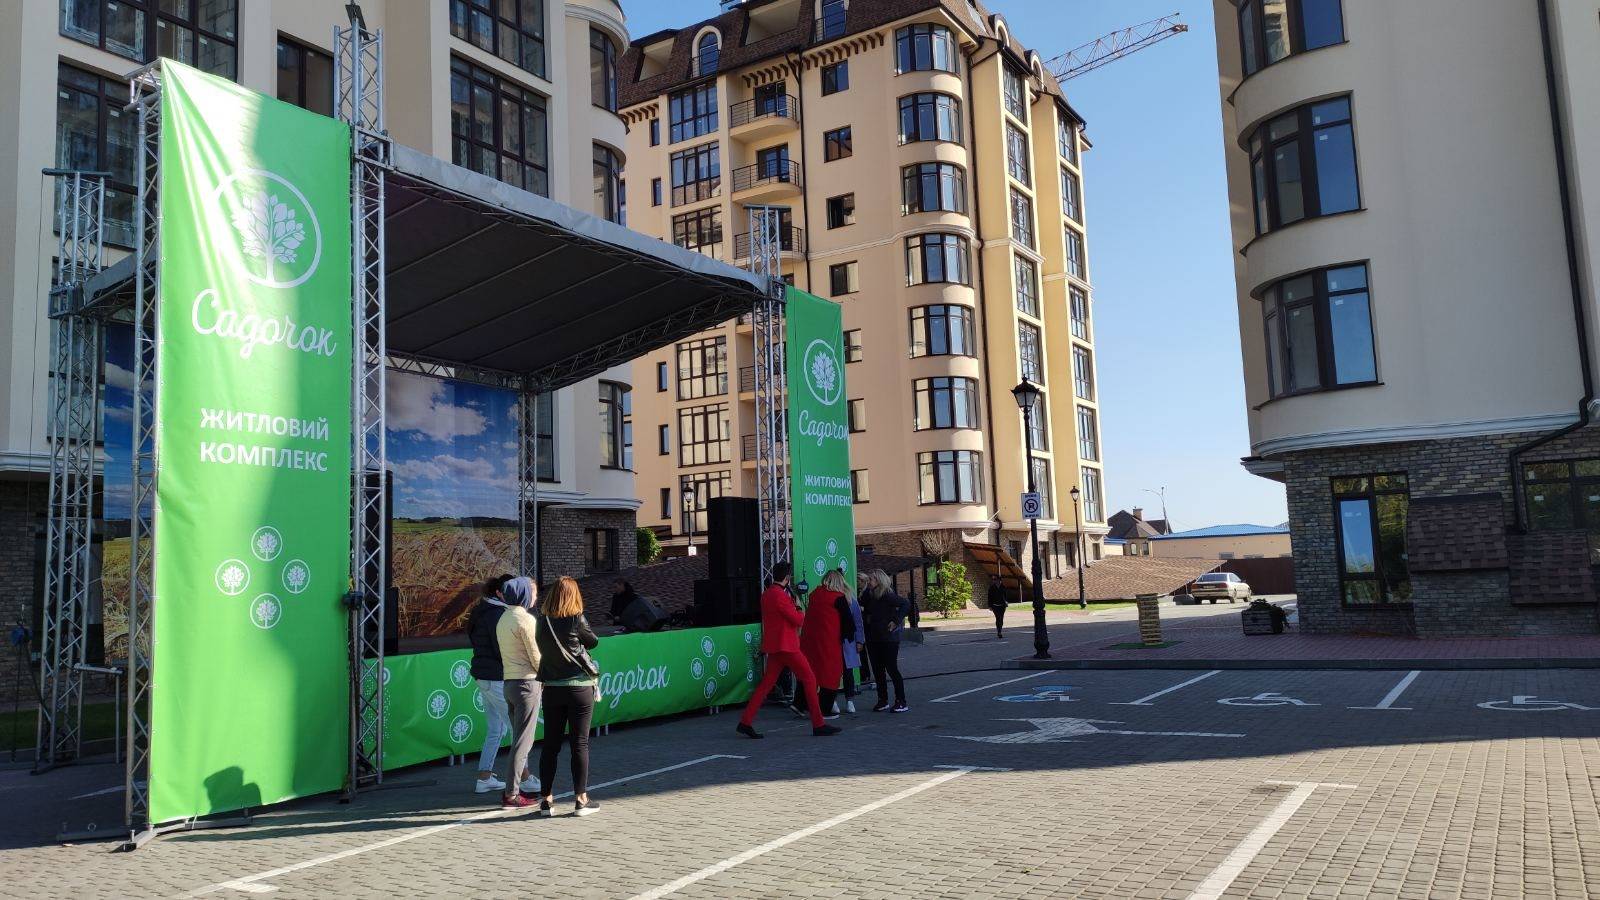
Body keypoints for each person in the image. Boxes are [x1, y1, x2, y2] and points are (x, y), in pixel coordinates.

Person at [737, 562, 840, 738]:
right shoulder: (781, 596)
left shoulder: (767, 594)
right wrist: (799, 608)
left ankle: (745, 721)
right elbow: (798, 620)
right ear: (787, 577)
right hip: (787, 645)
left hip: (774, 646)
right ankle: (818, 724)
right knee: (809, 679)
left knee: (766, 685)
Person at [534, 576, 602, 817]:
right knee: (579, 744)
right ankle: (581, 800)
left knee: (550, 745)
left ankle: (546, 800)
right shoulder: (576, 618)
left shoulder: (542, 621)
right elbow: (593, 641)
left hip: (552, 688)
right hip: (578, 687)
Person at [494, 576, 542, 809]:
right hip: (527, 683)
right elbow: (535, 656)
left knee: (517, 739)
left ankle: (512, 791)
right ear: (524, 594)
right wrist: (548, 675)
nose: (535, 597)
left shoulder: (503, 618)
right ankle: (511, 794)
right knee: (523, 742)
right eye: (533, 593)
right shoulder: (525, 619)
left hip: (509, 683)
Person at [466, 573, 514, 793]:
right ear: (499, 592)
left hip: (484, 676)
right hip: (494, 677)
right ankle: (523, 779)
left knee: (497, 728)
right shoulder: (497, 614)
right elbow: (500, 649)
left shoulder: (482, 610)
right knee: (516, 728)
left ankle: (484, 778)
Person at [798, 569, 854, 720]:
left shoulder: (814, 595)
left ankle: (803, 703)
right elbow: (848, 622)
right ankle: (825, 709)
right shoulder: (839, 598)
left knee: (811, 672)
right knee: (830, 674)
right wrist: (849, 637)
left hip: (810, 641)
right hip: (830, 641)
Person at [860, 568, 910, 712]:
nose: (869, 581)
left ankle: (901, 701)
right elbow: (862, 605)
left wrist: (896, 621)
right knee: (878, 670)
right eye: (869, 579)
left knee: (891, 669)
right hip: (873, 637)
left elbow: (905, 604)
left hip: (888, 638)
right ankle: (883, 700)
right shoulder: (870, 595)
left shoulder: (888, 595)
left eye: (871, 579)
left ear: (879, 581)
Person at [839, 577, 866, 714]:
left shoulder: (851, 601)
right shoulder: (849, 600)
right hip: (840, 641)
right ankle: (842, 701)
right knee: (840, 672)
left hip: (846, 641)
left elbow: (858, 622)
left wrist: (860, 640)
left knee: (847, 672)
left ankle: (849, 700)